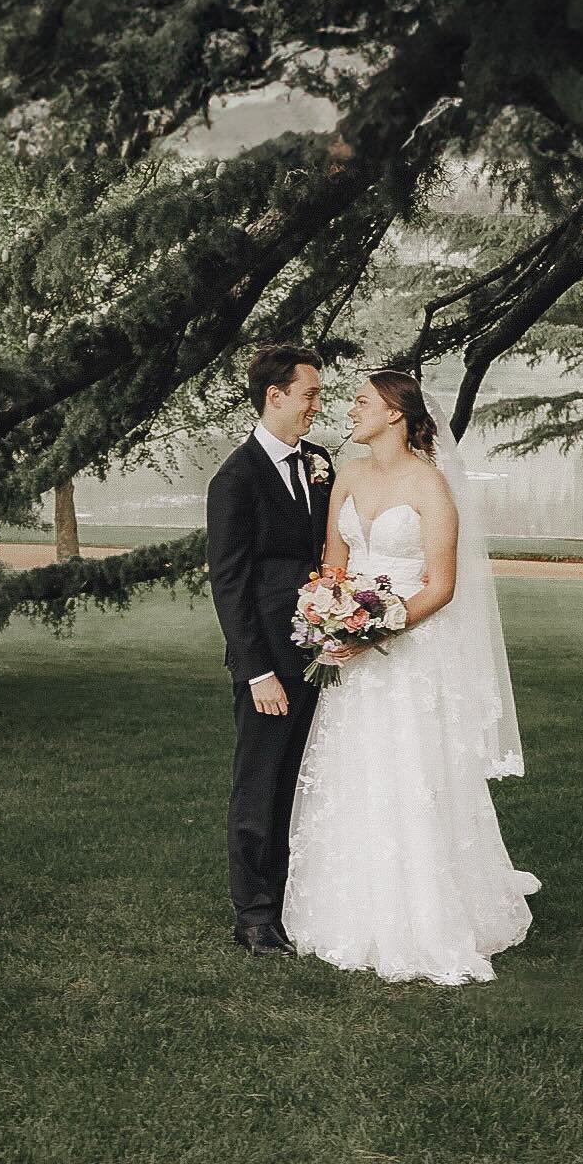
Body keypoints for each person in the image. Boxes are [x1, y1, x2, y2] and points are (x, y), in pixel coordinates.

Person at [281, 370, 539, 984]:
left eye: (361, 401)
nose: (349, 409)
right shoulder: (346, 475)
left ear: (396, 413)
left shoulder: (429, 484)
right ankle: (346, 910)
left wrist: (376, 633)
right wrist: (332, 621)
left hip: (411, 655)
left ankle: (425, 916)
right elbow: (332, 568)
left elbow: (443, 586)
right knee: (356, 770)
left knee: (411, 771)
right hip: (351, 651)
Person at [205, 346, 335, 957]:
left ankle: (297, 900)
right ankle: (254, 915)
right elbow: (229, 585)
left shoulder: (320, 464)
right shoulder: (234, 479)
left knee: (304, 780)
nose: (317, 405)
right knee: (260, 783)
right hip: (269, 666)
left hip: (321, 653)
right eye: (309, 394)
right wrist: (257, 671)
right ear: (275, 396)